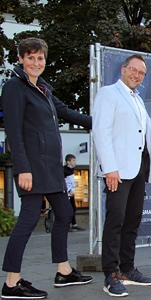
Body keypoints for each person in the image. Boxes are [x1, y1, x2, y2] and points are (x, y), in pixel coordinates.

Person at [1, 37, 93, 299]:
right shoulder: (14, 88)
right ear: (20, 59)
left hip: (50, 167)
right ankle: (11, 283)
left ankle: (63, 271)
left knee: (64, 214)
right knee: (28, 220)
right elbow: (14, 132)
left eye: (40, 58)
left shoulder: (44, 89)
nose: (35, 62)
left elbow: (68, 113)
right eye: (30, 57)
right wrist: (22, 168)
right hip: (32, 166)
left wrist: (103, 122)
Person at [92, 54, 151, 297]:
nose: (137, 76)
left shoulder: (137, 99)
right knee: (115, 222)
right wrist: (110, 168)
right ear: (123, 69)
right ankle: (110, 274)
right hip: (118, 171)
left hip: (138, 169)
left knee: (132, 221)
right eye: (134, 70)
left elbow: (148, 127)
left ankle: (127, 269)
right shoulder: (108, 94)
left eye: (141, 73)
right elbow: (100, 132)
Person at [63, 154, 85, 231]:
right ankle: (67, 225)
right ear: (68, 162)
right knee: (67, 209)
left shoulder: (71, 170)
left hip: (72, 193)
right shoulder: (64, 170)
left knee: (73, 208)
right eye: (73, 161)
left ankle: (74, 224)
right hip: (67, 193)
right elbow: (63, 182)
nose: (75, 162)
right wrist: (68, 190)